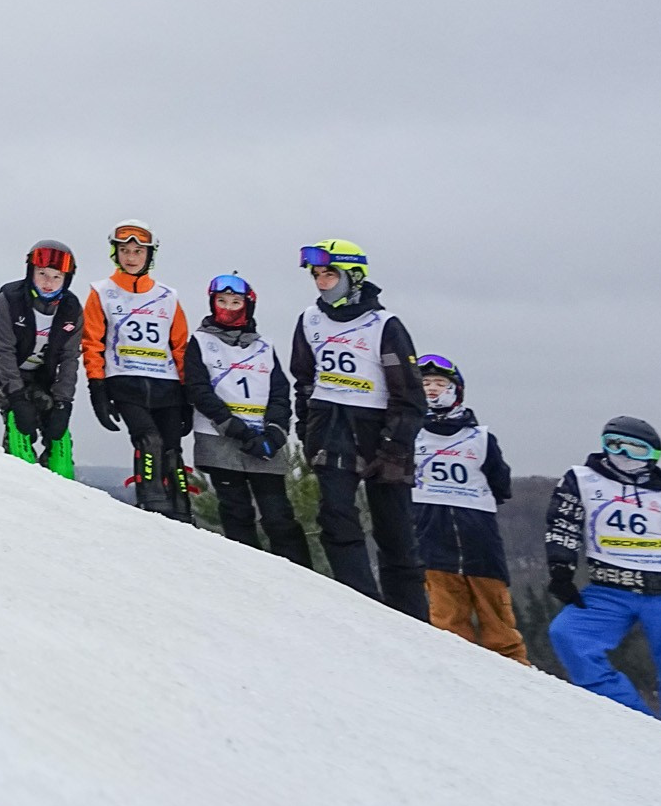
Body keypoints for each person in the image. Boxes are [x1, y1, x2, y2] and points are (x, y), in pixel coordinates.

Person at [543, 416, 661, 735]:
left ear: (651, 456)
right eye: (613, 445)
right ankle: (631, 720)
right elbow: (563, 522)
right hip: (610, 588)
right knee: (569, 634)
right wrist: (561, 570)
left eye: (635, 449)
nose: (623, 455)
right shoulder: (583, 479)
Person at [290, 240, 428, 618]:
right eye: (316, 275)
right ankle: (364, 607)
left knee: (395, 532)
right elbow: (303, 379)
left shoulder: (383, 325)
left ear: (353, 276)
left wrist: (394, 446)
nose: (321, 283)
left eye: (329, 274)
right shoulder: (309, 320)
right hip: (330, 427)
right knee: (335, 517)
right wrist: (306, 429)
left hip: (380, 432)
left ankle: (413, 619)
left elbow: (411, 394)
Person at [183, 274, 311, 566]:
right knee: (237, 511)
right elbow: (198, 389)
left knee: (278, 515)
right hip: (221, 439)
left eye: (235, 302)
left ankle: (302, 574)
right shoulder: (201, 341)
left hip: (263, 440)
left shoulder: (263, 346)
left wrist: (276, 433)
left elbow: (280, 391)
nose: (228, 307)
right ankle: (249, 575)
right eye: (222, 302)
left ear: (247, 305)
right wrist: (236, 429)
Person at [410, 355, 525, 663]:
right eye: (425, 384)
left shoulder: (481, 437)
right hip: (432, 534)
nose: (432, 390)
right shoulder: (410, 434)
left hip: (479, 536)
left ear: (456, 390)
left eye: (439, 383)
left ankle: (516, 671)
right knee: (447, 619)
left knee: (496, 615)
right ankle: (458, 672)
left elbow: (501, 483)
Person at [80, 220, 192, 518]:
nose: (131, 257)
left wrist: (187, 392)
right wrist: (97, 389)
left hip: (166, 385)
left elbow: (180, 346)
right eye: (125, 250)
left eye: (138, 251)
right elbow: (92, 342)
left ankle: (181, 510)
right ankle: (151, 504)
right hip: (125, 382)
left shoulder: (168, 296)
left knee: (172, 449)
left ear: (148, 256)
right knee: (148, 440)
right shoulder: (101, 292)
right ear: (116, 254)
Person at [0, 241, 84, 478]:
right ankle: (19, 475)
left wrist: (64, 403)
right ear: (30, 271)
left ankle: (60, 476)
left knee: (56, 425)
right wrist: (16, 395)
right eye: (42, 274)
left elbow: (70, 357)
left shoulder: (71, 309)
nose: (48, 282)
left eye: (56, 276)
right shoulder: (10, 298)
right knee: (20, 419)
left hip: (39, 371)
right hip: (0, 366)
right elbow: (3, 348)